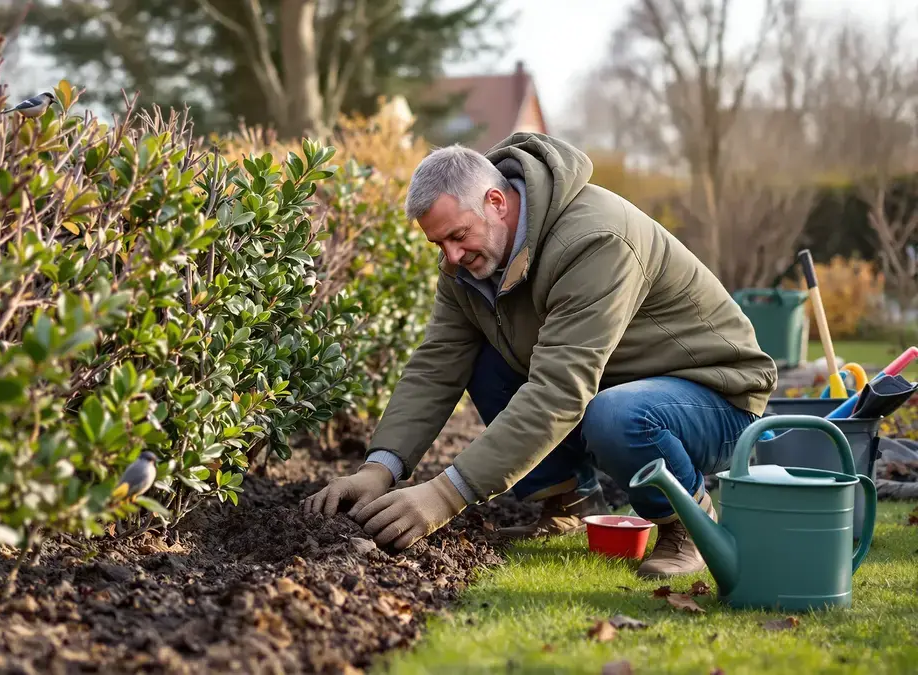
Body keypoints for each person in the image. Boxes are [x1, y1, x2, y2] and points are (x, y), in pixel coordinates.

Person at [302, 132, 777, 579]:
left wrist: (445, 495)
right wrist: (379, 469)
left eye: (457, 236)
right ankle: (566, 502)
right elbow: (437, 363)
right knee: (482, 359)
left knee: (617, 415)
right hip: (614, 385)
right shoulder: (470, 259)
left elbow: (560, 389)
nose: (449, 257)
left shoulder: (595, 240)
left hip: (714, 398)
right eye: (438, 243)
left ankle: (692, 525)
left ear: (496, 201)